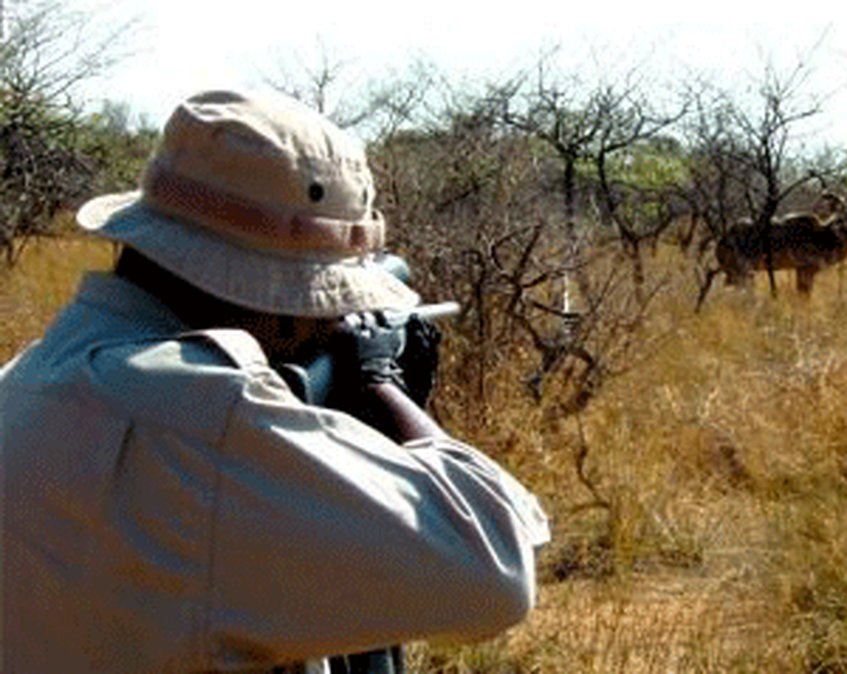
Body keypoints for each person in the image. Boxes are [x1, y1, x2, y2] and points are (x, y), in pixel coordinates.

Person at [0, 90, 550, 673]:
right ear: (284, 301)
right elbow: (496, 571)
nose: (324, 324)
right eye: (323, 307)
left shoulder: (22, 379)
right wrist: (379, 382)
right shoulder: (211, 414)